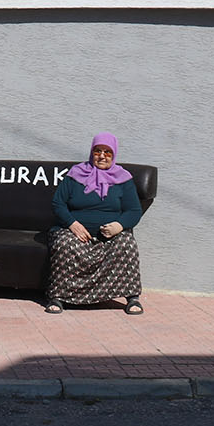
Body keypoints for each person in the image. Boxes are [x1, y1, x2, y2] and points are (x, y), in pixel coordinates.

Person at [46, 132, 144, 315]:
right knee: (63, 244)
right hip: (74, 232)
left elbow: (134, 211)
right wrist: (72, 224)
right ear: (92, 153)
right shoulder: (75, 174)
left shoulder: (124, 178)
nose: (102, 156)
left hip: (109, 236)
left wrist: (119, 226)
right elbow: (58, 203)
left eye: (107, 152)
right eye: (98, 151)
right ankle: (58, 297)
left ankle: (132, 298)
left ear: (114, 155)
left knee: (127, 243)